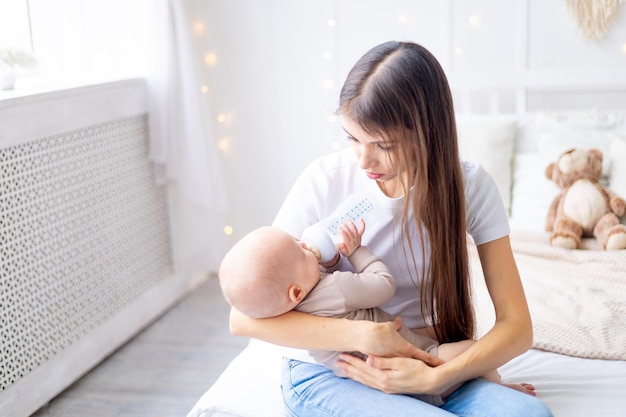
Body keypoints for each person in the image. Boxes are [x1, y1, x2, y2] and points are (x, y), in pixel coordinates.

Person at [229, 40, 554, 417]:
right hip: (333, 371)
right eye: (353, 138)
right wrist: (361, 335)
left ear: (427, 133)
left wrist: (433, 378)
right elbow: (243, 317)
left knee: (530, 415)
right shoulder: (324, 180)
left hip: (427, 361)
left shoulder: (470, 189)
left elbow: (517, 327)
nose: (363, 159)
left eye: (382, 144)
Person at [219, 222, 535, 406]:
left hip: (370, 384)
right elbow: (383, 285)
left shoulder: (294, 314)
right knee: (473, 351)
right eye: (299, 249)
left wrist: (321, 265)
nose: (305, 244)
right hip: (422, 358)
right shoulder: (336, 288)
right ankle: (498, 385)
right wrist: (356, 252)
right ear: (295, 292)